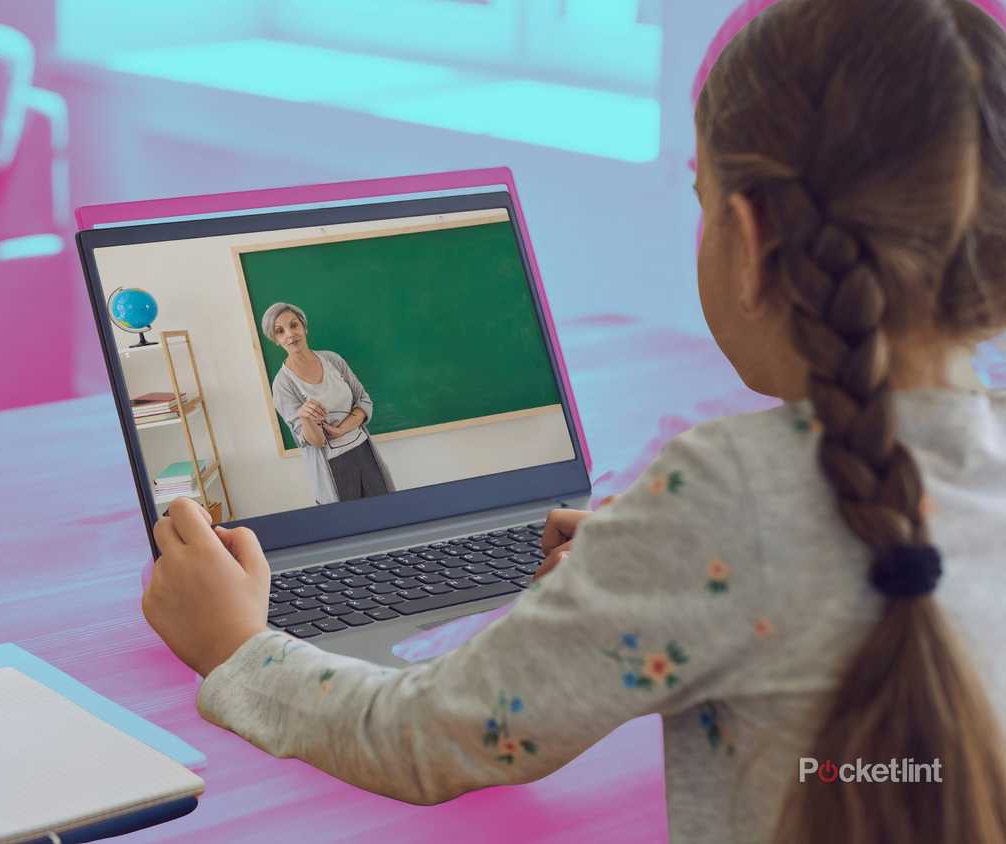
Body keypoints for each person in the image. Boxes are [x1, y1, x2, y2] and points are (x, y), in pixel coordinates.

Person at [139, 1, 1006, 841]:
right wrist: (653, 557)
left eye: (700, 196)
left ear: (752, 235)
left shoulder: (724, 494)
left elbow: (425, 733)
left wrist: (238, 645)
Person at [262, 302, 396, 505]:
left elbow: (364, 400)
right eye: (280, 331)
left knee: (388, 513)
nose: (290, 334)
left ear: (304, 327)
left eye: (294, 325)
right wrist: (305, 417)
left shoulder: (332, 360)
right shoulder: (283, 384)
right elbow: (314, 441)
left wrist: (343, 428)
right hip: (334, 468)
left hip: (365, 453)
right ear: (275, 339)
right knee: (349, 528)